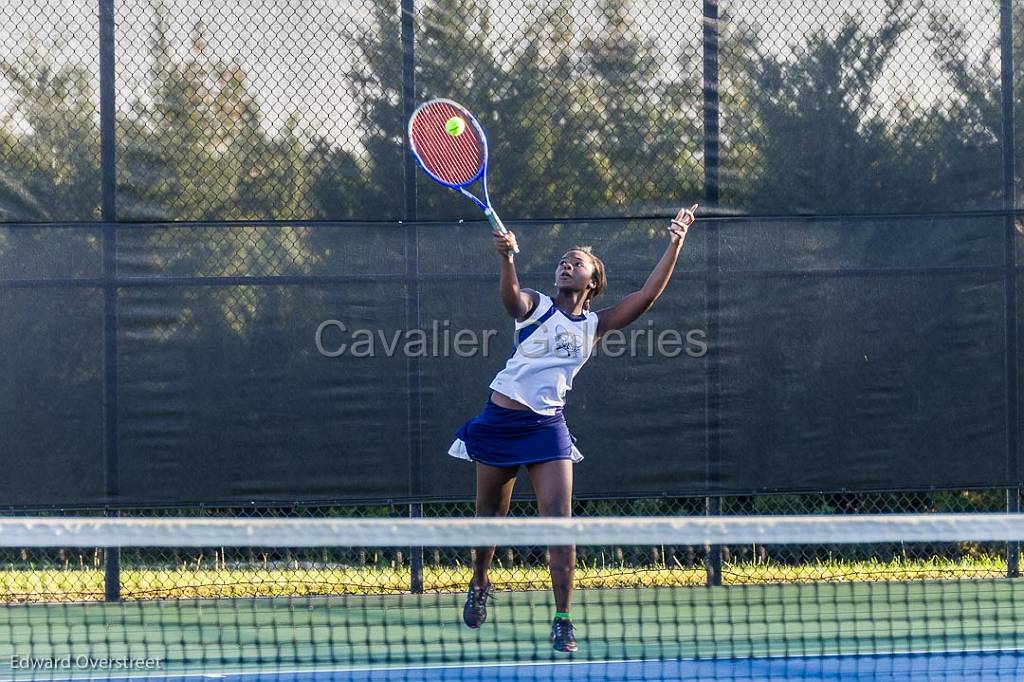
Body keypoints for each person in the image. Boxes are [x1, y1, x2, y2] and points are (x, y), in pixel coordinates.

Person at [447, 205, 698, 653]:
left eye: (576, 263)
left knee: (559, 527)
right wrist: (506, 258)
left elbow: (646, 295)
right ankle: (481, 581)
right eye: (564, 260)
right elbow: (511, 299)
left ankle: (563, 619)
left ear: (592, 283)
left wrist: (674, 241)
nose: (566, 265)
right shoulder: (537, 305)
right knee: (489, 520)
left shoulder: (595, 325)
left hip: (548, 429)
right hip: (500, 423)